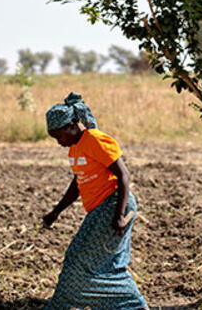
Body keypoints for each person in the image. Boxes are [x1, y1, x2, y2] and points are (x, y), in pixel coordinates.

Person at [42, 92, 148, 310]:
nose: (59, 143)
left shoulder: (96, 140)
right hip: (100, 209)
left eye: (59, 136)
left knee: (78, 259)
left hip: (113, 205)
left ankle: (130, 305)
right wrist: (56, 211)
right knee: (107, 262)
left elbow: (124, 175)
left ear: (72, 126)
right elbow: (78, 182)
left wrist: (119, 216)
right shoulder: (75, 147)